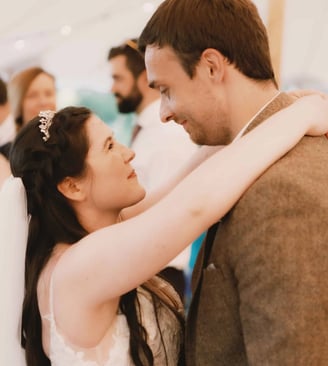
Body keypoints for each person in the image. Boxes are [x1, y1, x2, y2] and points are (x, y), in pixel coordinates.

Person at [1, 96, 328, 365]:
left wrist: (276, 106)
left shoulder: (102, 233)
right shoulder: (77, 267)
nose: (129, 153)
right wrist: (305, 115)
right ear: (72, 186)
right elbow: (195, 204)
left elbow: (191, 174)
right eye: (110, 147)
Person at [138, 0, 328, 364]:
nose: (163, 113)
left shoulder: (283, 194)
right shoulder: (245, 158)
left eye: (166, 90)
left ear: (211, 66)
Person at [108, 38, 198, 301]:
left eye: (118, 78)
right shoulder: (144, 131)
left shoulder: (167, 136)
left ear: (144, 77)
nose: (112, 88)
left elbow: (168, 215)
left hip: (160, 274)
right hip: (139, 270)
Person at [0, 67, 57, 188]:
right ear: (18, 102)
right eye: (32, 96)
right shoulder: (7, 155)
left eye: (49, 93)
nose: (43, 101)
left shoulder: (68, 140)